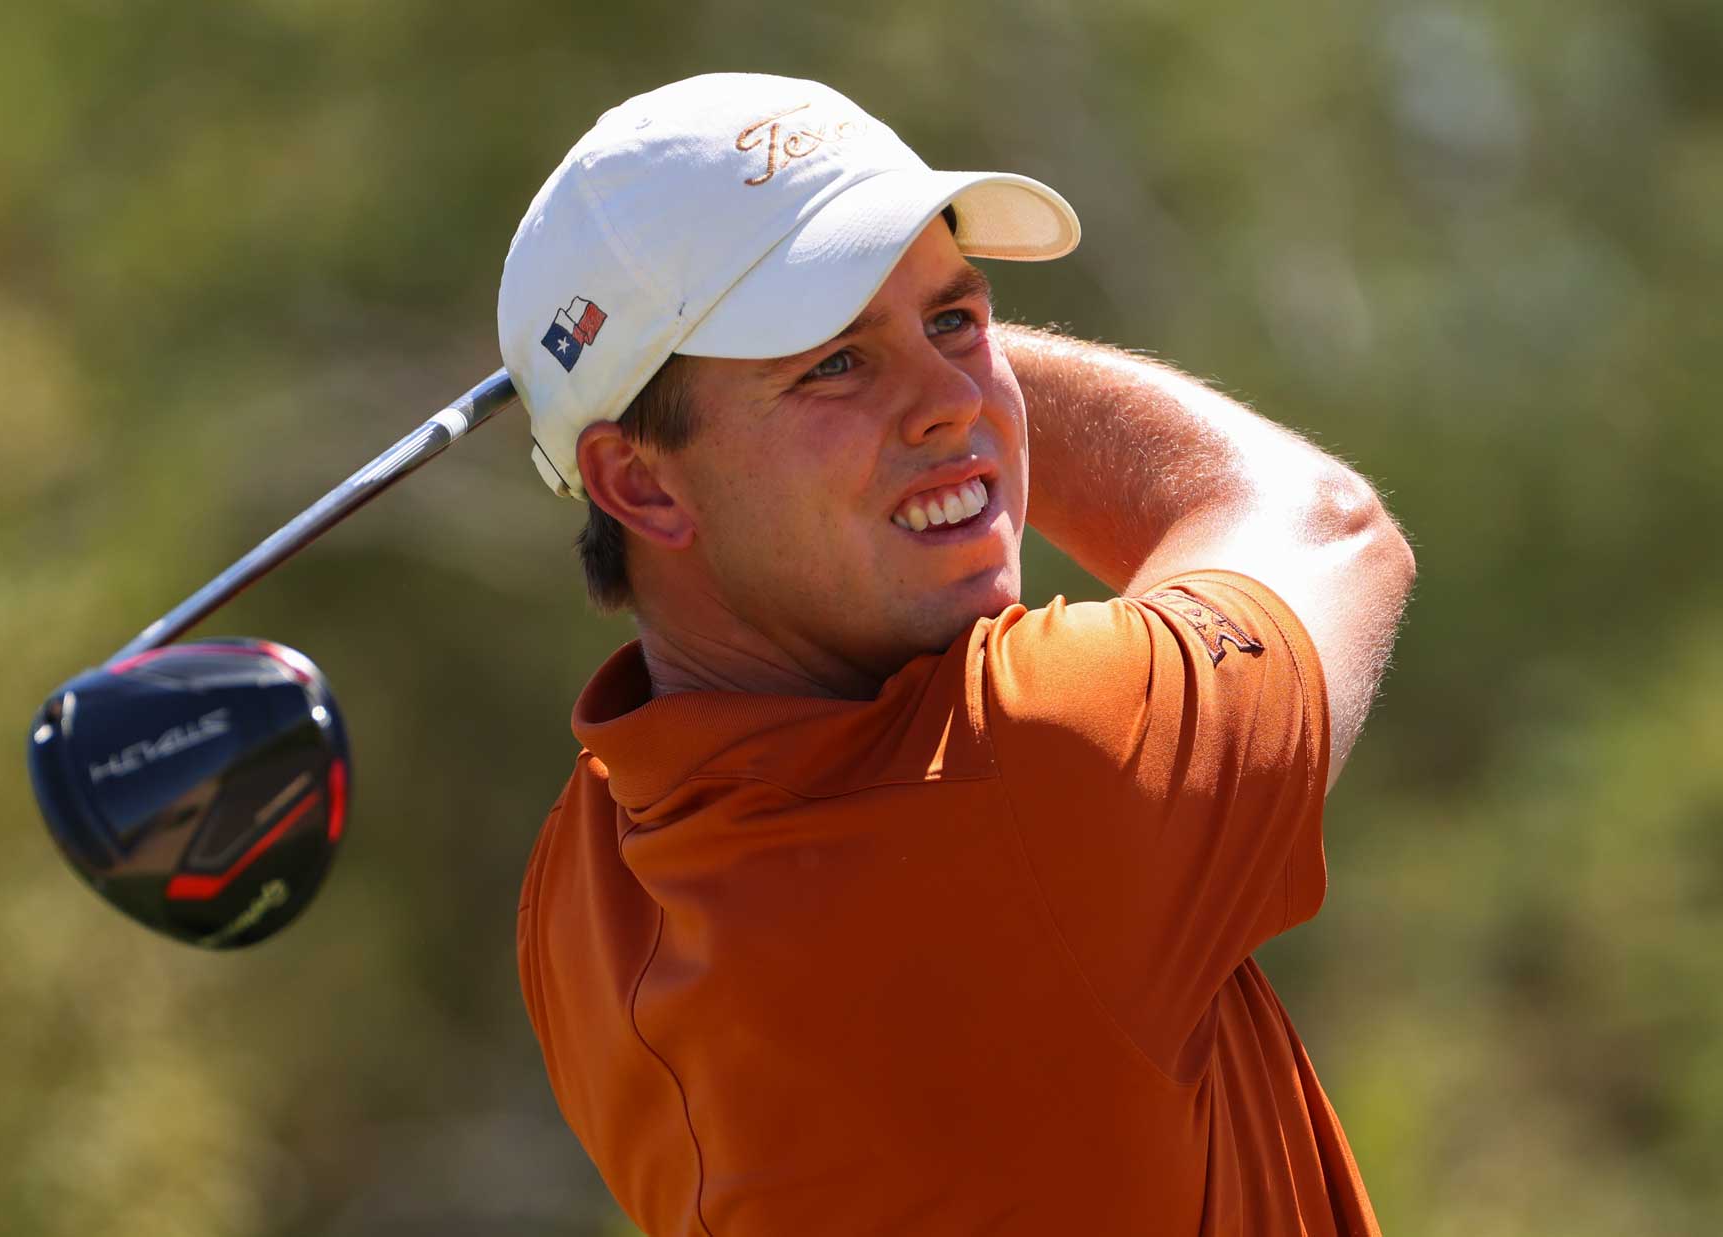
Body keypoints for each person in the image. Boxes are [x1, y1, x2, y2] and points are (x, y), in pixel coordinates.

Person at [496, 73, 1415, 1236]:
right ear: (637, 480)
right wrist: (923, 319)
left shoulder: (581, 886)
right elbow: (1319, 519)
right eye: (830, 361)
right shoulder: (1028, 770)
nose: (955, 400)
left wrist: (817, 325)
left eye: (955, 320)